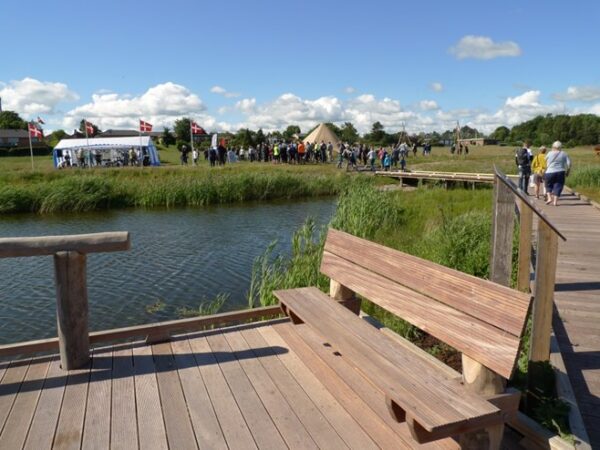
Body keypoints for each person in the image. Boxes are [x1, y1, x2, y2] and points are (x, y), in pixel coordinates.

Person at [544, 141, 571, 206]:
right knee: (558, 185)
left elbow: (544, 161)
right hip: (560, 172)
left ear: (553, 146)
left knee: (548, 185)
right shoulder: (564, 153)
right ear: (560, 147)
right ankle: (555, 202)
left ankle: (549, 198)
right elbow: (569, 164)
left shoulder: (549, 153)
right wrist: (568, 171)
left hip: (549, 171)